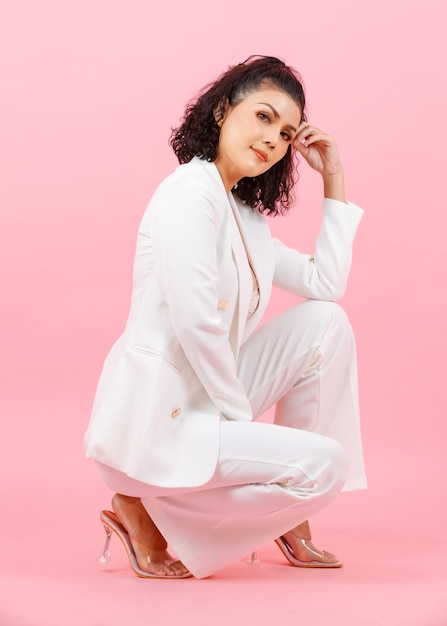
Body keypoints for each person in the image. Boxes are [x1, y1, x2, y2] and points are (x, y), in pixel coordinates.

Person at [84, 55, 367, 580]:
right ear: (221, 111)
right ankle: (141, 508)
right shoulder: (189, 193)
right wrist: (245, 431)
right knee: (326, 464)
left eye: (285, 133)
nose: (273, 139)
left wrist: (334, 175)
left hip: (206, 408)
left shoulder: (244, 217)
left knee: (327, 322)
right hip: (154, 425)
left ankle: (287, 516)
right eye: (263, 117)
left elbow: (326, 284)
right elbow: (196, 324)